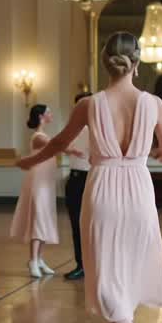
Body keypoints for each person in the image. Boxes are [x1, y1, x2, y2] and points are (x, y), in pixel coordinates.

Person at [17, 32, 162, 323]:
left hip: (102, 188)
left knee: (107, 278)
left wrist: (29, 161)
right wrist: (145, 154)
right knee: (124, 274)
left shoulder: (89, 104)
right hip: (138, 189)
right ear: (137, 62)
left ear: (105, 62)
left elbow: (56, 144)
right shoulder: (154, 103)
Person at [10, 104, 61, 278]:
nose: (51, 114)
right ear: (41, 116)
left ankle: (39, 259)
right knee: (38, 218)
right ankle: (32, 259)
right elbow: (56, 145)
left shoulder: (44, 135)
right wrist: (71, 148)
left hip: (45, 183)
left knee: (45, 217)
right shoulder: (39, 137)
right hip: (37, 182)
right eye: (48, 112)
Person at [63, 93, 91, 280]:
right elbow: (61, 144)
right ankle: (81, 264)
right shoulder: (71, 128)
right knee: (76, 224)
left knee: (94, 225)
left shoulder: (98, 128)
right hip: (74, 178)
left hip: (91, 177)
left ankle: (95, 266)